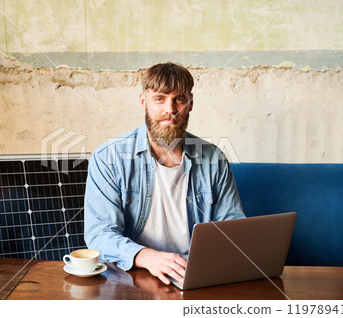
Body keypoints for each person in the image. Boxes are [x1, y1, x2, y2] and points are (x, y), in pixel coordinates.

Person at [84, 62, 245, 285]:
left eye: (178, 99)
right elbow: (99, 235)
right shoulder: (108, 158)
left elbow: (233, 228)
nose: (170, 109)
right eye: (159, 98)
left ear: (190, 104)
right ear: (144, 102)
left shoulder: (213, 158)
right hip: (133, 274)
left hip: (194, 274)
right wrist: (145, 256)